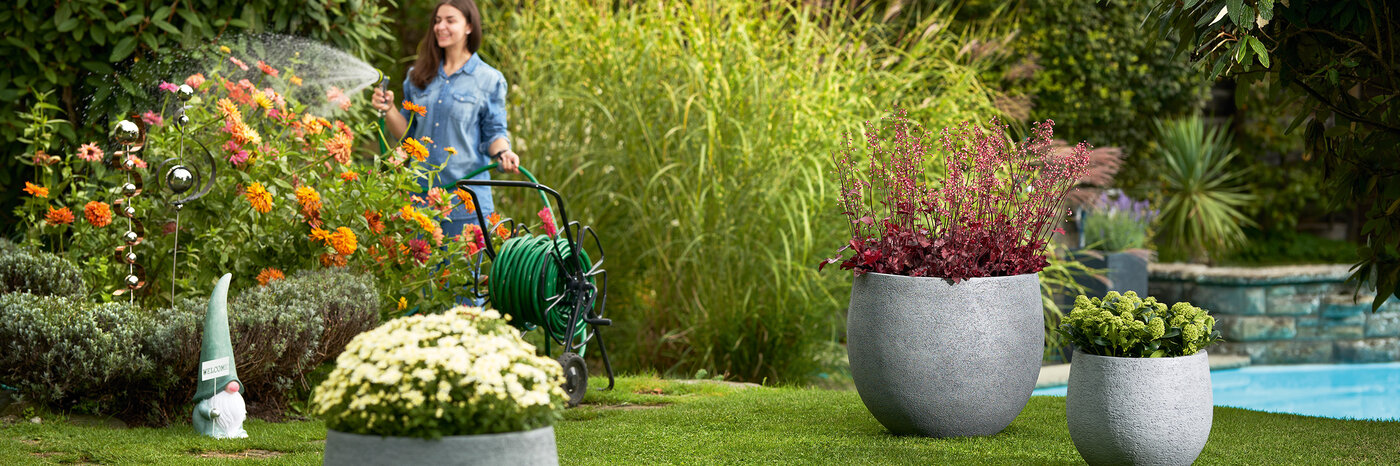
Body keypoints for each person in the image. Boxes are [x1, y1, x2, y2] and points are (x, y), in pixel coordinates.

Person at [371, 0, 519, 238]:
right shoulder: (417, 75)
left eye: (450, 20)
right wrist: (388, 109)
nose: (441, 27)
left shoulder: (489, 79)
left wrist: (504, 153)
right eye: (437, 21)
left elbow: (494, 133)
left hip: (467, 205)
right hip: (419, 202)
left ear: (469, 26)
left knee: (464, 264)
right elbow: (407, 135)